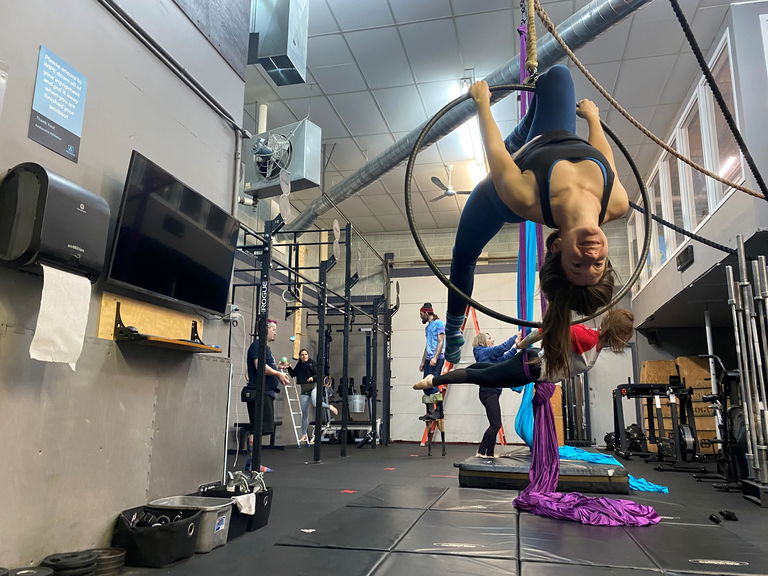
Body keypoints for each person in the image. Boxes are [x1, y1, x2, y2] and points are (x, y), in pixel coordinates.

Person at [443, 64, 630, 381]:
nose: (590, 258)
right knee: (557, 76)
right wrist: (594, 120)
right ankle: (529, 121)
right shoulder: (616, 202)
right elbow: (605, 156)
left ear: (558, 247)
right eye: (597, 266)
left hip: (501, 191)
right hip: (546, 139)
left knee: (464, 256)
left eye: (577, 266)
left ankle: (452, 326)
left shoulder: (522, 197)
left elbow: (495, 151)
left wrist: (482, 104)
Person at [416, 308, 634, 392]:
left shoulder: (593, 343)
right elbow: (545, 329)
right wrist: (521, 344)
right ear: (618, 335)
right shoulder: (588, 338)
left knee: (481, 370)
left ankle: (435, 380)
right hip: (530, 368)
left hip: (531, 368)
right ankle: (433, 381)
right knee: (478, 375)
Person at [245, 319, 290, 469]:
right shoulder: (258, 345)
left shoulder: (265, 348)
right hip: (259, 393)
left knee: (258, 429)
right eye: (273, 329)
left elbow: (266, 366)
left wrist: (277, 367)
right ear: (265, 330)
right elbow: (260, 367)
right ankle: (254, 465)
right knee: (257, 429)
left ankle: (252, 464)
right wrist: (278, 373)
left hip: (265, 392)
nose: (275, 332)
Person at [471, 332, 519, 457]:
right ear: (482, 341)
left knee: (494, 424)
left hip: (491, 392)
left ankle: (490, 453)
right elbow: (501, 349)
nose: (492, 340)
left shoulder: (488, 356)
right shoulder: (482, 352)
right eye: (489, 338)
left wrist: (516, 348)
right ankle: (481, 451)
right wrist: (515, 337)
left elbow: (503, 359)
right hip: (489, 392)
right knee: (496, 424)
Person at [417, 303, 445, 417]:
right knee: (425, 385)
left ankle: (439, 411)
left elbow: (441, 341)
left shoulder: (439, 324)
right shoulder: (428, 327)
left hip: (437, 359)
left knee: (432, 384)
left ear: (426, 313)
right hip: (429, 359)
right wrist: (423, 361)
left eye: (421, 314)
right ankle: (430, 412)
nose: (420, 316)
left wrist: (435, 357)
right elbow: (427, 345)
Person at [287, 348, 317, 445]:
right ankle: (304, 434)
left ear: (308, 355)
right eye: (302, 355)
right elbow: (293, 374)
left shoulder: (312, 363)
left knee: (316, 403)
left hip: (313, 387)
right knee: (304, 413)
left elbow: (320, 373)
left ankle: (329, 407)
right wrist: (288, 367)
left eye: (305, 354)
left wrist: (313, 377)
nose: (304, 356)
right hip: (304, 390)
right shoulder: (299, 364)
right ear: (300, 356)